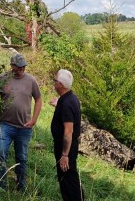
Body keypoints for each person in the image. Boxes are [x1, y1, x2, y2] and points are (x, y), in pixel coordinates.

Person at [0, 53, 42, 191]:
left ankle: (21, 186)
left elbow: (38, 99)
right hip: (5, 125)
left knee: (21, 157)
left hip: (24, 127)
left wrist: (34, 120)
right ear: (12, 66)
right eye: (19, 67)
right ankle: (1, 186)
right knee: (0, 153)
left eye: (23, 66)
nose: (21, 69)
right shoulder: (3, 79)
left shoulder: (31, 81)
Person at [51, 69, 83, 201]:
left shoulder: (67, 103)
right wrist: (58, 105)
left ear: (60, 84)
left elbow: (68, 132)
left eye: (55, 81)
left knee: (68, 179)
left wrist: (64, 155)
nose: (54, 82)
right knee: (67, 178)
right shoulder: (69, 98)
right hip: (67, 146)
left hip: (66, 148)